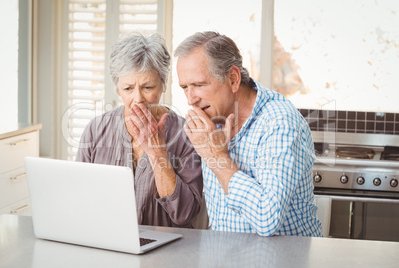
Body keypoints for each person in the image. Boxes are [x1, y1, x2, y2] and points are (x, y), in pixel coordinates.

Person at [174, 31, 322, 236]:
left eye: (199, 85)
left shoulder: (279, 122)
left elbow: (267, 218)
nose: (191, 99)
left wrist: (216, 157)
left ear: (233, 79)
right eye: (185, 87)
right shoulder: (212, 119)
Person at [76, 32, 203, 228]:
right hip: (108, 245)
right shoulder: (95, 131)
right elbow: (81, 200)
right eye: (128, 89)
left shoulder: (187, 134)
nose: (138, 99)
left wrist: (157, 153)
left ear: (163, 85)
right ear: (118, 89)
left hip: (167, 251)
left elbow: (184, 214)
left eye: (147, 87)